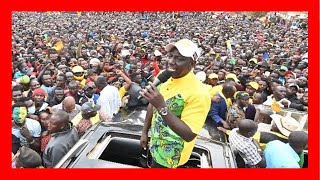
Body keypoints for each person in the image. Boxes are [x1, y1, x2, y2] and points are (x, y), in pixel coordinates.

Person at [139, 39, 211, 168]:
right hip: (155, 145)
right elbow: (152, 104)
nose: (171, 61)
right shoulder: (163, 76)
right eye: (170, 56)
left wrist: (161, 106)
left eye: (179, 58)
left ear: (192, 63)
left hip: (171, 159)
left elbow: (189, 135)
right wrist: (145, 131)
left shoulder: (199, 93)